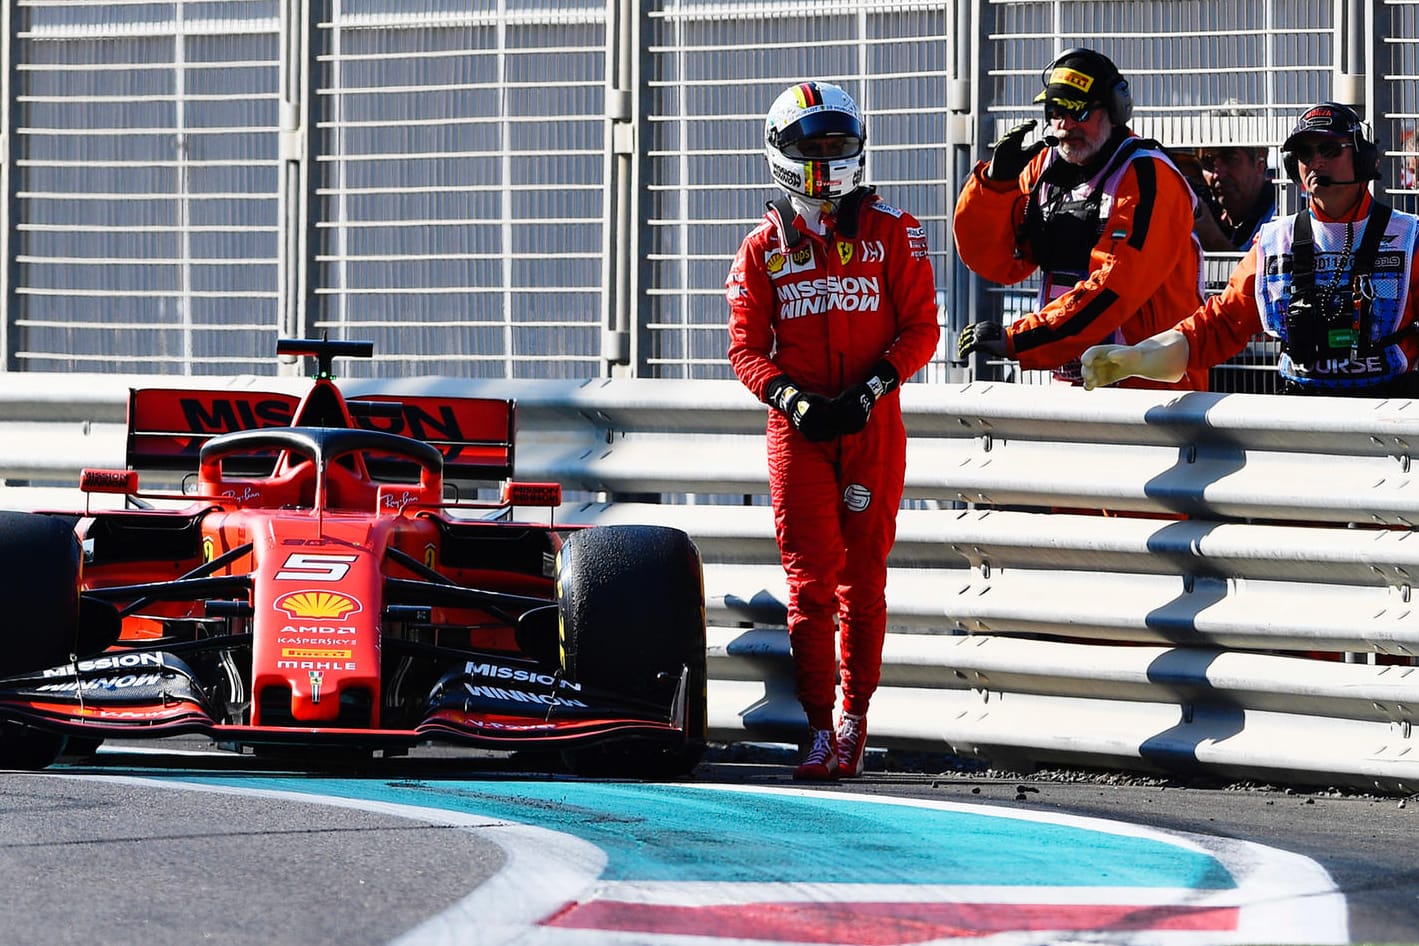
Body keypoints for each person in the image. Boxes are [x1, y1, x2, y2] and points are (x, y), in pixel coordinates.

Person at [726, 80, 939, 781]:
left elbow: (920, 329)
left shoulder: (895, 231)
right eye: (810, 146)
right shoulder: (761, 250)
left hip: (873, 424)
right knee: (809, 583)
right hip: (799, 432)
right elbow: (743, 348)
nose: (825, 159)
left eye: (836, 144)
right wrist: (790, 398)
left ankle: (855, 716)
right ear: (781, 153)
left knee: (863, 581)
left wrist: (875, 386)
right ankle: (817, 726)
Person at [1081, 102, 1419, 397]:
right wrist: (1141, 356)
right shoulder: (1275, 241)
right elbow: (1220, 324)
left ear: (1363, 159)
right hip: (1305, 417)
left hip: (1388, 415)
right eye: (1304, 153)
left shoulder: (1409, 237)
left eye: (1329, 150)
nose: (1315, 162)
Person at [952, 48, 1208, 390]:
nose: (1065, 125)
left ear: (1116, 111)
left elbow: (1114, 288)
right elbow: (995, 262)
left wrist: (1021, 339)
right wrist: (996, 186)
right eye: (1055, 111)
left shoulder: (1149, 177)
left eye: (1078, 111)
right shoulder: (1045, 169)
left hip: (1151, 392)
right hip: (1074, 383)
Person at [1190, 145, 1277, 251]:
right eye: (1208, 161)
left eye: (1230, 159)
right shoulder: (1204, 216)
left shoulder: (1286, 212)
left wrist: (1217, 244)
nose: (1218, 175)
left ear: (1260, 163)